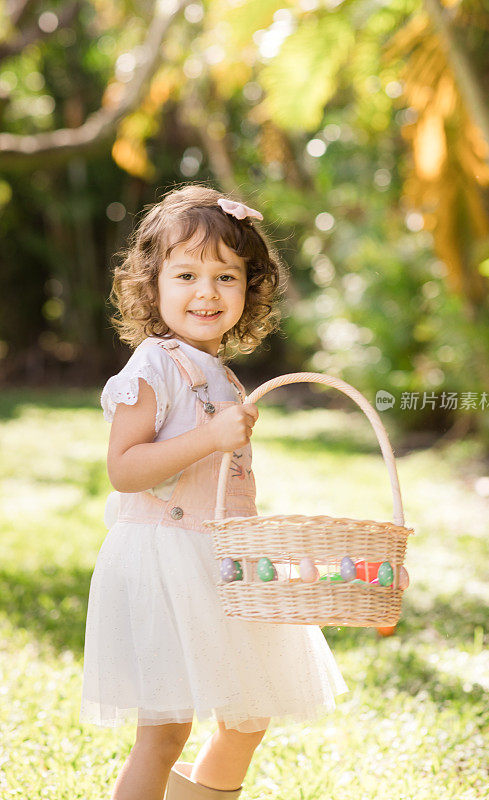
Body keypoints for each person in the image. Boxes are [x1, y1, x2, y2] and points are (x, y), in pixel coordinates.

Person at [79, 183, 349, 800]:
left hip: (222, 561)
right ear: (153, 286)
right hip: (163, 559)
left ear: (250, 291)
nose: (206, 292)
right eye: (186, 274)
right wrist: (209, 437)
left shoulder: (221, 374)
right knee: (166, 728)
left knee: (248, 717)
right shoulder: (152, 367)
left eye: (227, 276)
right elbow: (125, 469)